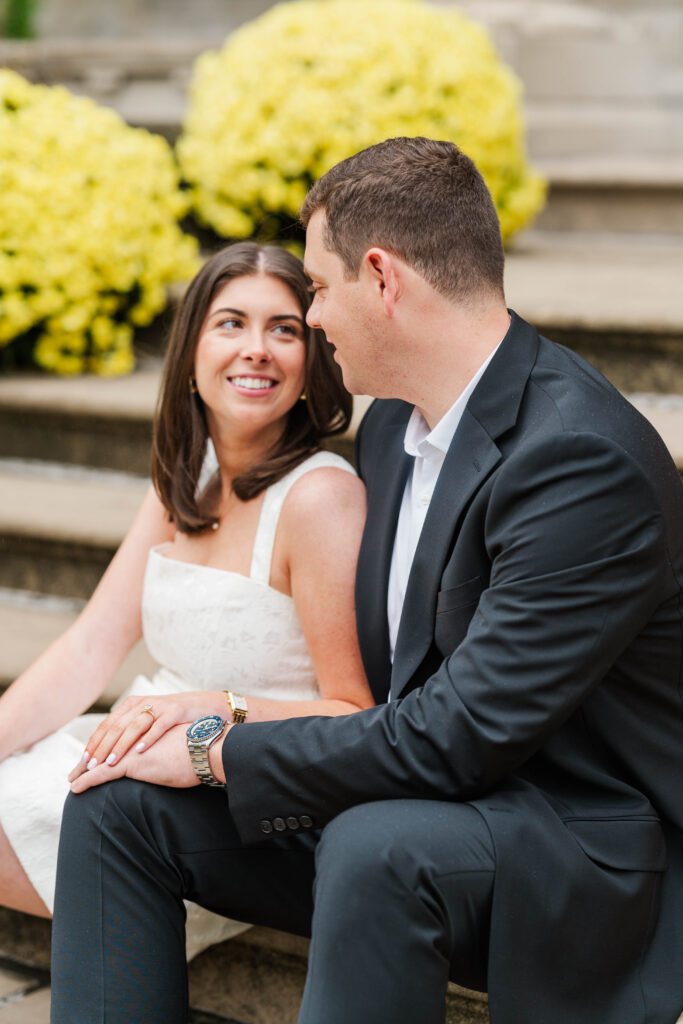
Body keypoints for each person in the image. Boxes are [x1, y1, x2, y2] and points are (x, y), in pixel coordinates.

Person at [51, 138, 683, 1024]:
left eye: (315, 287)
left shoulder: (578, 459)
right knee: (120, 801)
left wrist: (213, 747)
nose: (310, 317)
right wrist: (221, 711)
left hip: (576, 841)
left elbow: (458, 735)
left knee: (374, 842)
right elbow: (390, 697)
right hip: (429, 797)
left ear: (381, 279)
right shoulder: (390, 430)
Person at [0, 242, 372, 958]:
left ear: (311, 359)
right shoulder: (187, 474)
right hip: (130, 742)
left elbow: (351, 711)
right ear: (193, 348)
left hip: (225, 785)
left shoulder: (321, 499)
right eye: (231, 323)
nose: (256, 349)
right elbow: (91, 645)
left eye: (284, 329)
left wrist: (209, 719)